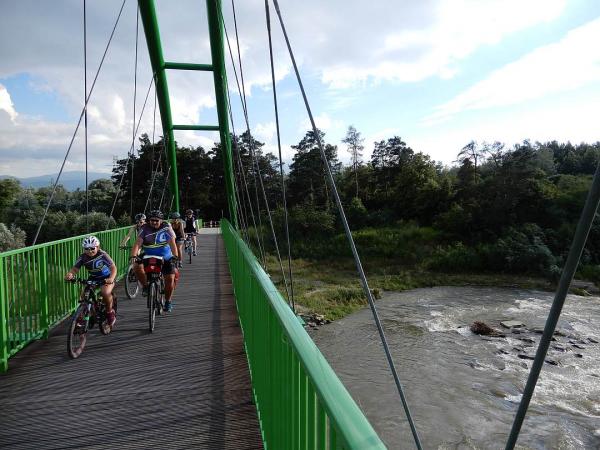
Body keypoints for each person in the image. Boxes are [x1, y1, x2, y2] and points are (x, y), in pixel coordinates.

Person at [131, 210, 179, 312]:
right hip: (148, 254)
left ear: (161, 220)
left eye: (157, 220)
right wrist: (133, 256)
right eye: (152, 220)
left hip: (165, 256)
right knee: (136, 266)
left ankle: (168, 301)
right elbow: (138, 243)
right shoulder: (144, 228)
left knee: (170, 278)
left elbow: (172, 243)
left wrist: (175, 256)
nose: (154, 222)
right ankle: (145, 286)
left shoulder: (166, 227)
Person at [64, 236, 117, 327]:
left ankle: (109, 313)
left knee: (105, 292)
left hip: (106, 277)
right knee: (84, 296)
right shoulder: (82, 257)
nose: (90, 251)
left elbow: (113, 267)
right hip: (93, 277)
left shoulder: (102, 254)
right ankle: (86, 315)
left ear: (98, 247)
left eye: (92, 248)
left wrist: (111, 278)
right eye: (86, 249)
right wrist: (70, 274)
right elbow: (75, 269)